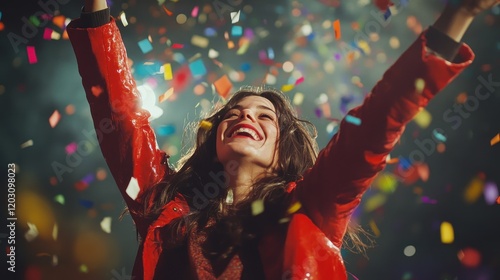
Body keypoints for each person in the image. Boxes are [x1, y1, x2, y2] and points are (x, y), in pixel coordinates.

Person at [67, 0, 498, 279]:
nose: (243, 118)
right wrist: (98, 7)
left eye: (263, 116)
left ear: (282, 149)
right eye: (232, 114)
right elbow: (121, 116)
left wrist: (457, 16)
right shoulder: (162, 206)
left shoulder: (312, 210)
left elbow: (376, 122)